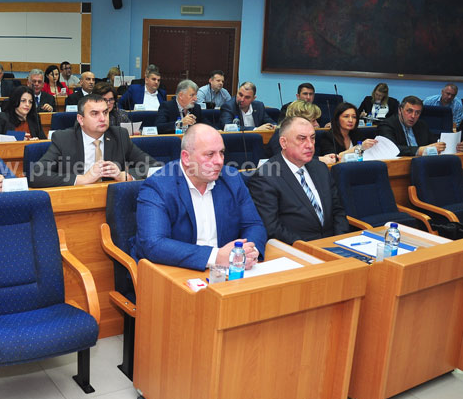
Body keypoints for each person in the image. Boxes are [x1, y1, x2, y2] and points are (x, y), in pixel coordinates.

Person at [131, 123, 265, 270]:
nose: (219, 161)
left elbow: (254, 225)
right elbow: (153, 244)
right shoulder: (158, 186)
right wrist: (216, 257)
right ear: (186, 158)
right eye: (210, 154)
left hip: (227, 270)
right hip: (175, 271)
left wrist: (248, 253)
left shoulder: (232, 179)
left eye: (221, 152)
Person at [247, 116, 350, 244]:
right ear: (283, 143)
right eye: (302, 139)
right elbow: (272, 228)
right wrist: (309, 249)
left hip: (334, 244)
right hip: (297, 248)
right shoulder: (265, 177)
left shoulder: (321, 168)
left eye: (312, 138)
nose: (310, 145)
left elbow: (338, 211)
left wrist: (339, 241)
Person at [28, 94, 156, 187]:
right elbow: (37, 174)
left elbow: (154, 166)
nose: (103, 118)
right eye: (95, 114)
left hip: (112, 200)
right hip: (76, 201)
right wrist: (82, 179)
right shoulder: (64, 139)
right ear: (80, 119)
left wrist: (125, 176)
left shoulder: (119, 135)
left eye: (105, 112)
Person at [377, 96, 455, 156]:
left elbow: (434, 142)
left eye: (417, 113)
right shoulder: (386, 125)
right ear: (400, 110)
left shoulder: (421, 124)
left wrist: (452, 146)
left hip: (423, 163)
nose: (413, 116)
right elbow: (390, 148)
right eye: (409, 111)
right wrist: (419, 150)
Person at [264, 100, 337, 165]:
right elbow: (286, 161)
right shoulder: (280, 135)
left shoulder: (311, 135)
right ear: (301, 120)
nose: (317, 124)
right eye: (313, 120)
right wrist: (319, 159)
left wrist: (328, 157)